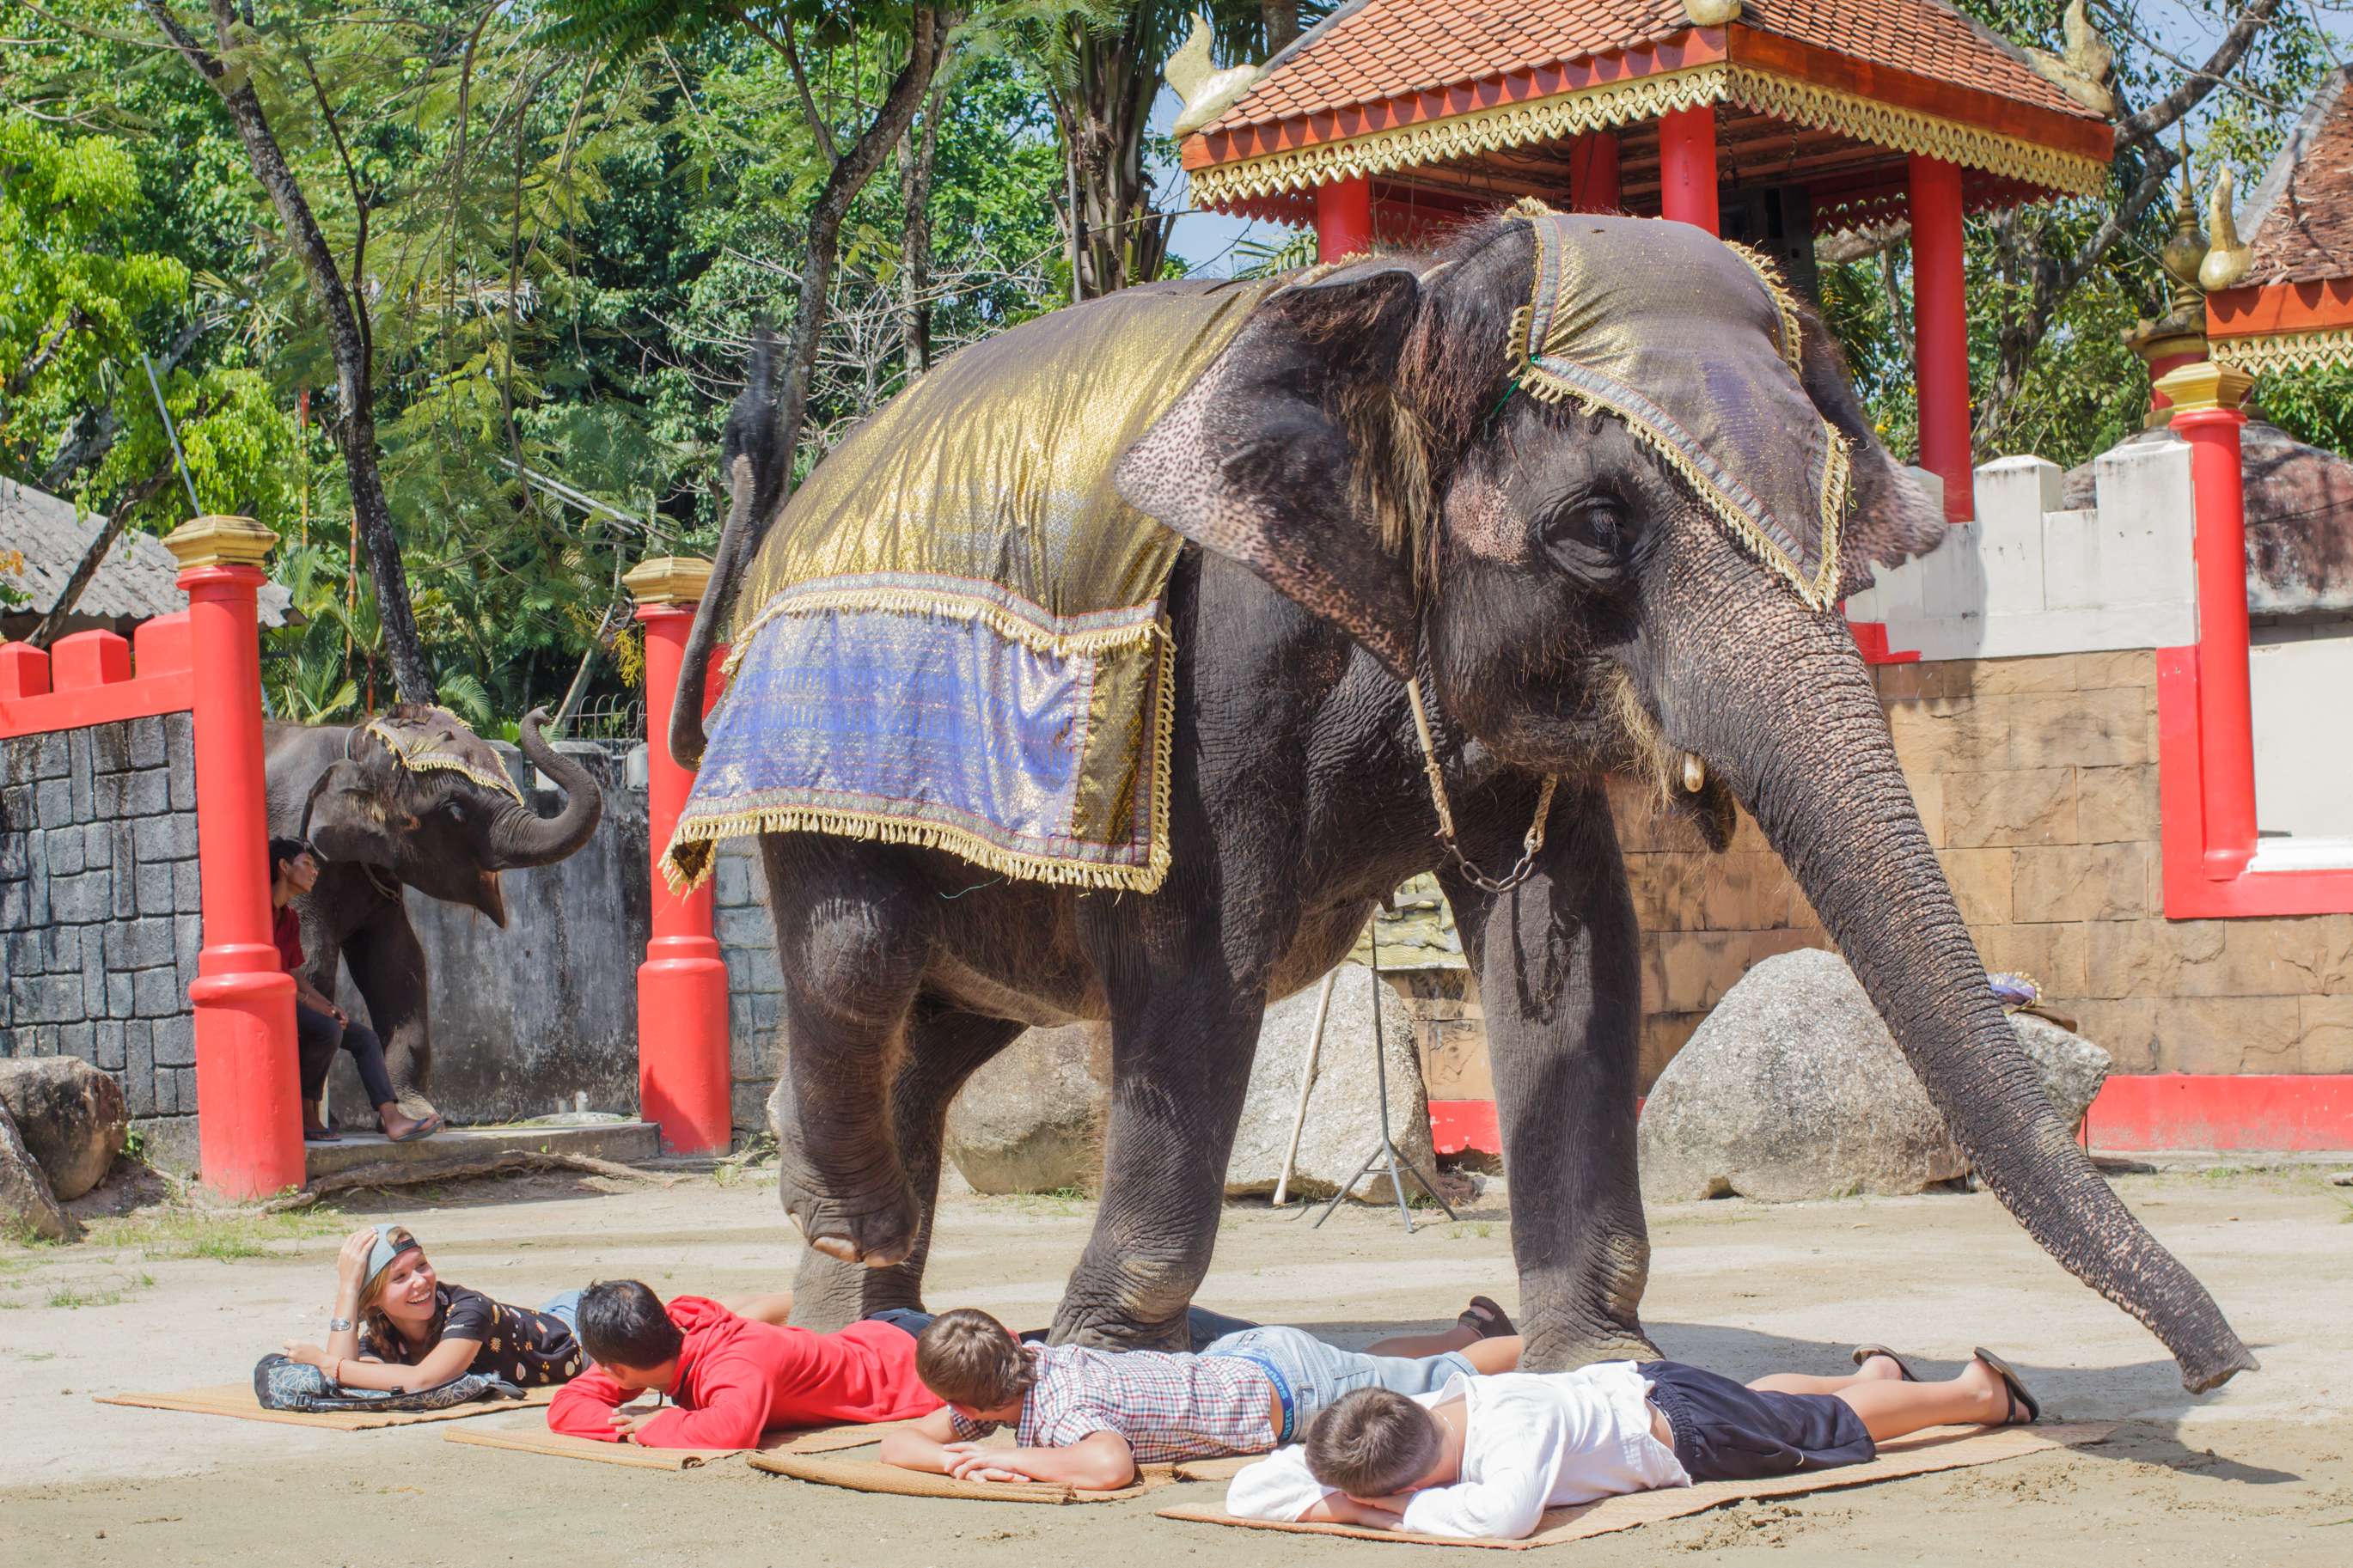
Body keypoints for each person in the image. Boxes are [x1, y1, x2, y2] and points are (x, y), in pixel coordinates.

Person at [1225, 1345, 2043, 1540]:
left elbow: (1502, 1519)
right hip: (1655, 1389)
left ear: (1415, 1478)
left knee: (1830, 1431)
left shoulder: (1516, 1428)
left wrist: (1377, 1514)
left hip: (1688, 1433)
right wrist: (1346, 1491)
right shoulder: (1414, 1411)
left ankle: (1975, 1392)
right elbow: (1248, 1488)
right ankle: (1880, 1367)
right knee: (1767, 1401)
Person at [877, 1298, 1525, 1490]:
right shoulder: (1025, 1368)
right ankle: (1469, 1327)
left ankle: (1537, 1345)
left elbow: (1109, 1463)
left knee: (1445, 1377)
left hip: (1287, 1389)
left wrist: (1012, 1459)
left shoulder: (1061, 1406)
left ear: (971, 1404)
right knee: (1363, 1366)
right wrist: (950, 1459)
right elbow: (896, 1440)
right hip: (1248, 1364)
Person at [280, 1227, 795, 1394]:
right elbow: (344, 1384)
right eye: (400, 1277)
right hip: (544, 1319)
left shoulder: (467, 1311)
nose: (421, 1282)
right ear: (375, 1300)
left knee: (696, 1322)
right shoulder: (381, 1327)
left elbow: (424, 1379)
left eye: (423, 1266)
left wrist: (332, 1365)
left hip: (571, 1332)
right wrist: (347, 1290)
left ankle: (807, 1302)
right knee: (693, 1319)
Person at [547, 1279, 945, 1448]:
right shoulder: (668, 1330)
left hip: (921, 1356)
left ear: (614, 1368)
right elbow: (565, 1408)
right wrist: (623, 1428)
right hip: (875, 1332)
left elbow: (732, 1432)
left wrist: (655, 1424)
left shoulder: (734, 1367)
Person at [268, 837, 437, 1144]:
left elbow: (293, 973)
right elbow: (269, 975)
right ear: (283, 867)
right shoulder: (257, 913)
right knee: (327, 1029)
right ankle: (306, 1110)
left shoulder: (290, 919)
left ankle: (392, 1117)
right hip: (267, 1005)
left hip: (289, 1001)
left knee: (364, 1038)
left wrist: (326, 1004)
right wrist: (315, 1005)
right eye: (307, 864)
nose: (315, 871)